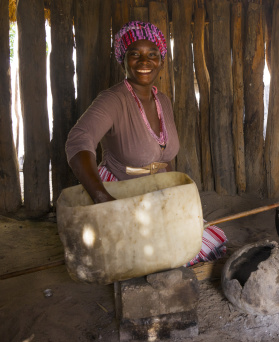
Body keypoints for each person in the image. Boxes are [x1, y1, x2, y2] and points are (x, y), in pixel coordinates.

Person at [65, 21, 226, 265]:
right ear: (123, 60)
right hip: (122, 192)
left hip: (154, 192)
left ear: (161, 61)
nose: (144, 62)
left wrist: (173, 198)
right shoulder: (113, 100)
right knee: (167, 249)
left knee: (212, 237)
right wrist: (102, 199)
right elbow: (78, 141)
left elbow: (164, 158)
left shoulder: (163, 101)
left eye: (152, 54)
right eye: (135, 55)